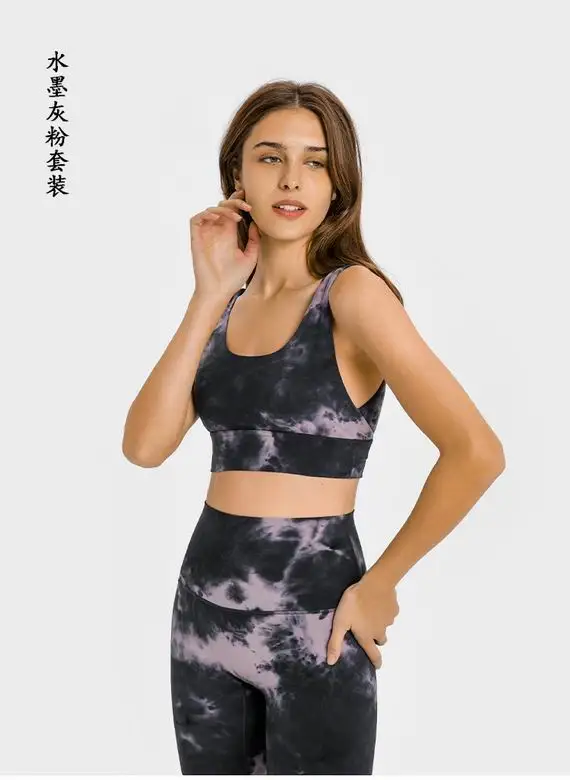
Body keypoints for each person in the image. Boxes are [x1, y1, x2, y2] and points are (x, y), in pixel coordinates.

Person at [122, 80, 506, 775]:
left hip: (316, 622)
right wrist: (208, 293)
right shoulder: (225, 306)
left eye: (317, 162)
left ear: (339, 184)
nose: (292, 179)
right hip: (202, 617)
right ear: (237, 173)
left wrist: (383, 582)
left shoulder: (352, 295)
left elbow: (476, 451)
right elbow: (145, 447)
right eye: (270, 157)